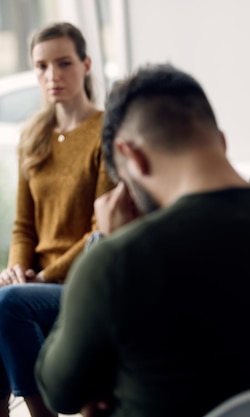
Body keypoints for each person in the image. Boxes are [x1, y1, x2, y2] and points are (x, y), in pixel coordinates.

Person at [34, 63, 250, 417]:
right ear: (219, 140)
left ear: (132, 157)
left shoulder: (120, 262)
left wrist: (109, 246)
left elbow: (60, 393)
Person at [0, 22, 115, 417]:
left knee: (9, 303)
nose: (52, 76)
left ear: (85, 65)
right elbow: (23, 226)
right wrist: (16, 268)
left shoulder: (106, 132)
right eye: (42, 66)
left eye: (63, 63)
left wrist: (41, 279)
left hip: (78, 282)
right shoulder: (33, 135)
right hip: (33, 283)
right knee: (5, 297)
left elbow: (101, 231)